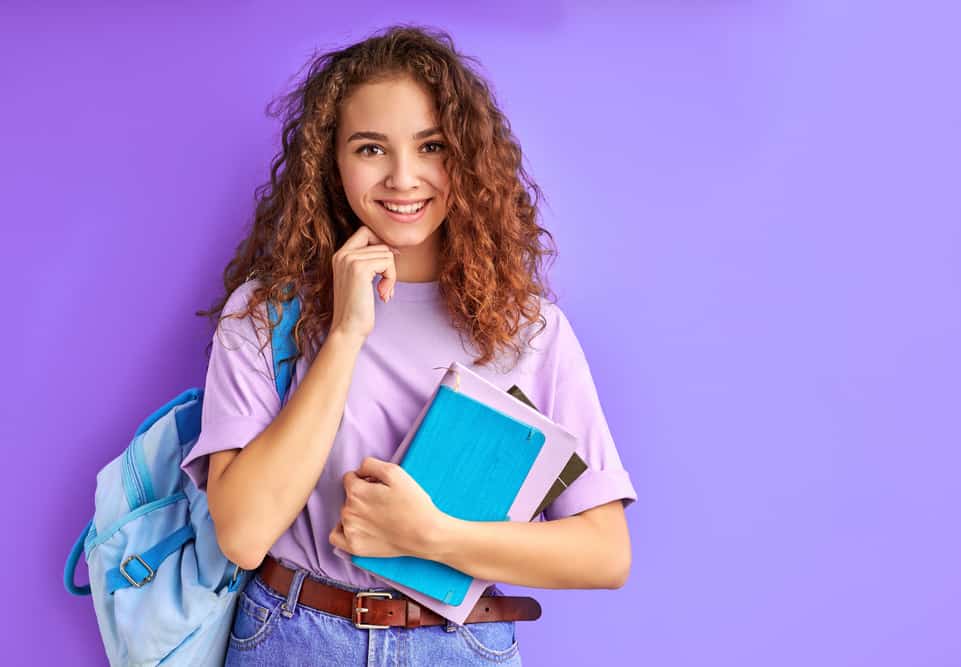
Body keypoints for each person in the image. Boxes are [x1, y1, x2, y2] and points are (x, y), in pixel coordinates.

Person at [181, 24, 638, 666]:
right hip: (293, 636)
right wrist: (345, 334)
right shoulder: (265, 313)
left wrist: (431, 536)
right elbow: (244, 535)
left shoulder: (526, 328)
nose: (403, 177)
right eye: (371, 148)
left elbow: (605, 552)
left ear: (468, 158)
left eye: (431, 146)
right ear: (330, 161)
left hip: (461, 646)